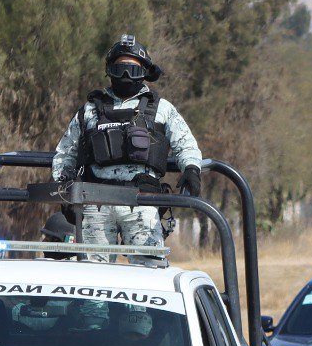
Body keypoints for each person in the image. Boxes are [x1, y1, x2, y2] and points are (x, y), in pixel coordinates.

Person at [52, 35, 203, 261]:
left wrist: (191, 169)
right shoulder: (90, 109)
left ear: (144, 72)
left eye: (131, 70)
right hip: (96, 203)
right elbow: (65, 153)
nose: (125, 76)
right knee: (93, 277)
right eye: (119, 68)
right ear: (109, 71)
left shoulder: (161, 108)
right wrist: (64, 189)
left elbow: (186, 143)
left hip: (143, 201)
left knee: (148, 274)